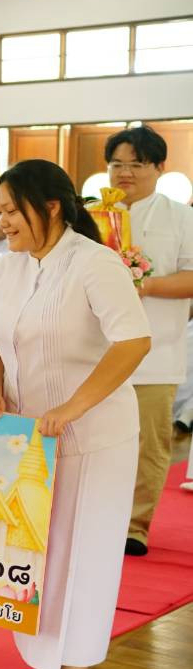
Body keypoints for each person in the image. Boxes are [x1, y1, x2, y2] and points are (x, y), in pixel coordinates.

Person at [0, 159, 150, 669]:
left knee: (86, 554)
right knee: (38, 552)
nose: (1, 222)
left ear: (50, 206)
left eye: (11, 210)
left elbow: (133, 342)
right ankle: (48, 661)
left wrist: (73, 407)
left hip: (96, 437)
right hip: (31, 440)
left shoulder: (94, 263)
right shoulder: (4, 268)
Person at [107, 126, 193, 556]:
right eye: (116, 164)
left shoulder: (181, 217)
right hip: (97, 352)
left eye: (136, 164)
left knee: (149, 443)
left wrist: (146, 285)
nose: (124, 173)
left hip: (157, 352)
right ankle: (97, 518)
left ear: (159, 168)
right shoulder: (91, 217)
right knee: (98, 441)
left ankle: (135, 526)